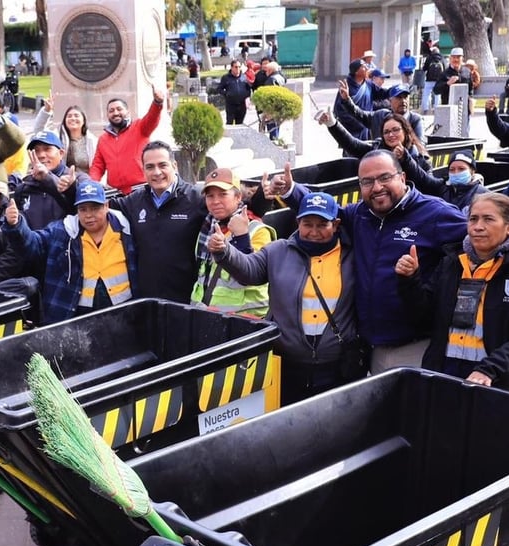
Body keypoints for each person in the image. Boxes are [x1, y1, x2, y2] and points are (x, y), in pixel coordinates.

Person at [277, 150, 469, 372]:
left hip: (415, 346)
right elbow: (327, 213)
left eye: (385, 178)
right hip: (370, 347)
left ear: (403, 177)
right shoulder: (359, 215)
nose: (377, 187)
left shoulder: (434, 213)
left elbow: (480, 236)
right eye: (367, 182)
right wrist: (292, 191)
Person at [395, 193, 509, 396]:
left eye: (488, 219)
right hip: (445, 377)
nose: (478, 226)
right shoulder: (450, 263)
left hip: (502, 384)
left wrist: (490, 368)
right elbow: (424, 319)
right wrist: (409, 280)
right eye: (473, 219)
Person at [209, 191, 361, 404]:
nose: (314, 232)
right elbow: (250, 270)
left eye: (322, 225)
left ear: (335, 225)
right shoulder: (277, 251)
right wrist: (225, 251)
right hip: (286, 364)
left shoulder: (352, 256)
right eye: (308, 224)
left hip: (336, 366)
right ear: (298, 222)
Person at [4, 179, 137, 324]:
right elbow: (33, 244)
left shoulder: (127, 228)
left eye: (94, 208)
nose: (88, 215)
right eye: (83, 209)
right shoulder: (62, 231)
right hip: (78, 314)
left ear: (106, 206)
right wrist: (16, 226)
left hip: (124, 311)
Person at [111, 141, 207, 302]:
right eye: (150, 167)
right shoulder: (134, 201)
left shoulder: (196, 200)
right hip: (146, 301)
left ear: (174, 166)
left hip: (185, 301)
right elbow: (97, 207)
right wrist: (69, 187)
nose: (157, 172)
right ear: (143, 170)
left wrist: (263, 196)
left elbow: (229, 207)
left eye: (162, 165)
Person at [190, 168, 272, 316]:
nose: (215, 201)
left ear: (238, 197)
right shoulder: (207, 228)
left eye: (223, 194)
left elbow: (251, 274)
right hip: (205, 316)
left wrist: (241, 237)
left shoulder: (257, 231)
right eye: (210, 196)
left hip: (245, 321)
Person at [89, 89, 165, 194]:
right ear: (107, 115)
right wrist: (92, 184)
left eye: (119, 109)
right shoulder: (103, 139)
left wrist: (157, 103)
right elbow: (97, 166)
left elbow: (152, 118)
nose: (115, 113)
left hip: (141, 189)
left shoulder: (139, 127)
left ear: (127, 111)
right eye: (111, 111)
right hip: (116, 193)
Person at [317, 109, 432, 172]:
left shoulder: (421, 159)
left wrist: (405, 160)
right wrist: (333, 124)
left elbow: (428, 185)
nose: (391, 135)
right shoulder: (377, 149)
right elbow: (352, 144)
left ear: (406, 132)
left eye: (395, 130)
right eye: (386, 132)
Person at [9, 130, 80, 230]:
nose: (41, 155)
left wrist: (69, 188)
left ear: (61, 153)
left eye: (47, 149)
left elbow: (79, 211)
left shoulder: (77, 179)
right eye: (36, 151)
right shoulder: (23, 188)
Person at [399, 149, 488, 214]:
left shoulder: (483, 194)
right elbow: (422, 178)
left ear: (472, 171)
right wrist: (406, 158)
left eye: (461, 169)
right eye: (452, 169)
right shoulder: (443, 187)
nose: (456, 173)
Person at [336, 82, 424, 141]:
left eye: (405, 97)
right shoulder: (380, 116)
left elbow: (420, 146)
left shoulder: (416, 120)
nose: (403, 101)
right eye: (399, 97)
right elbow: (358, 114)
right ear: (390, 100)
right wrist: (347, 100)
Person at [34, 97, 99, 175]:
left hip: (86, 182)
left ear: (83, 120)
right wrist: (46, 111)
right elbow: (39, 131)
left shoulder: (92, 141)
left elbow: (98, 165)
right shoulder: (57, 136)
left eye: (76, 115)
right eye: (69, 116)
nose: (73, 118)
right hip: (61, 180)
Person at [335, 59, 388, 141]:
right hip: (352, 130)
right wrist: (357, 122)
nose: (367, 68)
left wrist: (393, 92)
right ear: (356, 72)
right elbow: (339, 110)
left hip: (367, 128)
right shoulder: (347, 87)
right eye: (363, 66)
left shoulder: (368, 84)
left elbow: (381, 93)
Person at [219, 60, 252, 125]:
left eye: (239, 67)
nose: (238, 69)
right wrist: (227, 94)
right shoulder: (226, 78)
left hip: (242, 105)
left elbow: (248, 89)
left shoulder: (244, 77)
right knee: (229, 123)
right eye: (236, 67)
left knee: (240, 124)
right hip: (231, 105)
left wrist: (247, 96)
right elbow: (219, 89)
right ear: (231, 68)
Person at [421, 48, 444, 115]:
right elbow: (445, 68)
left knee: (426, 95)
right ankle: (436, 109)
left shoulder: (429, 58)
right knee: (437, 95)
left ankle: (426, 109)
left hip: (429, 79)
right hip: (438, 80)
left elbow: (424, 68)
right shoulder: (441, 58)